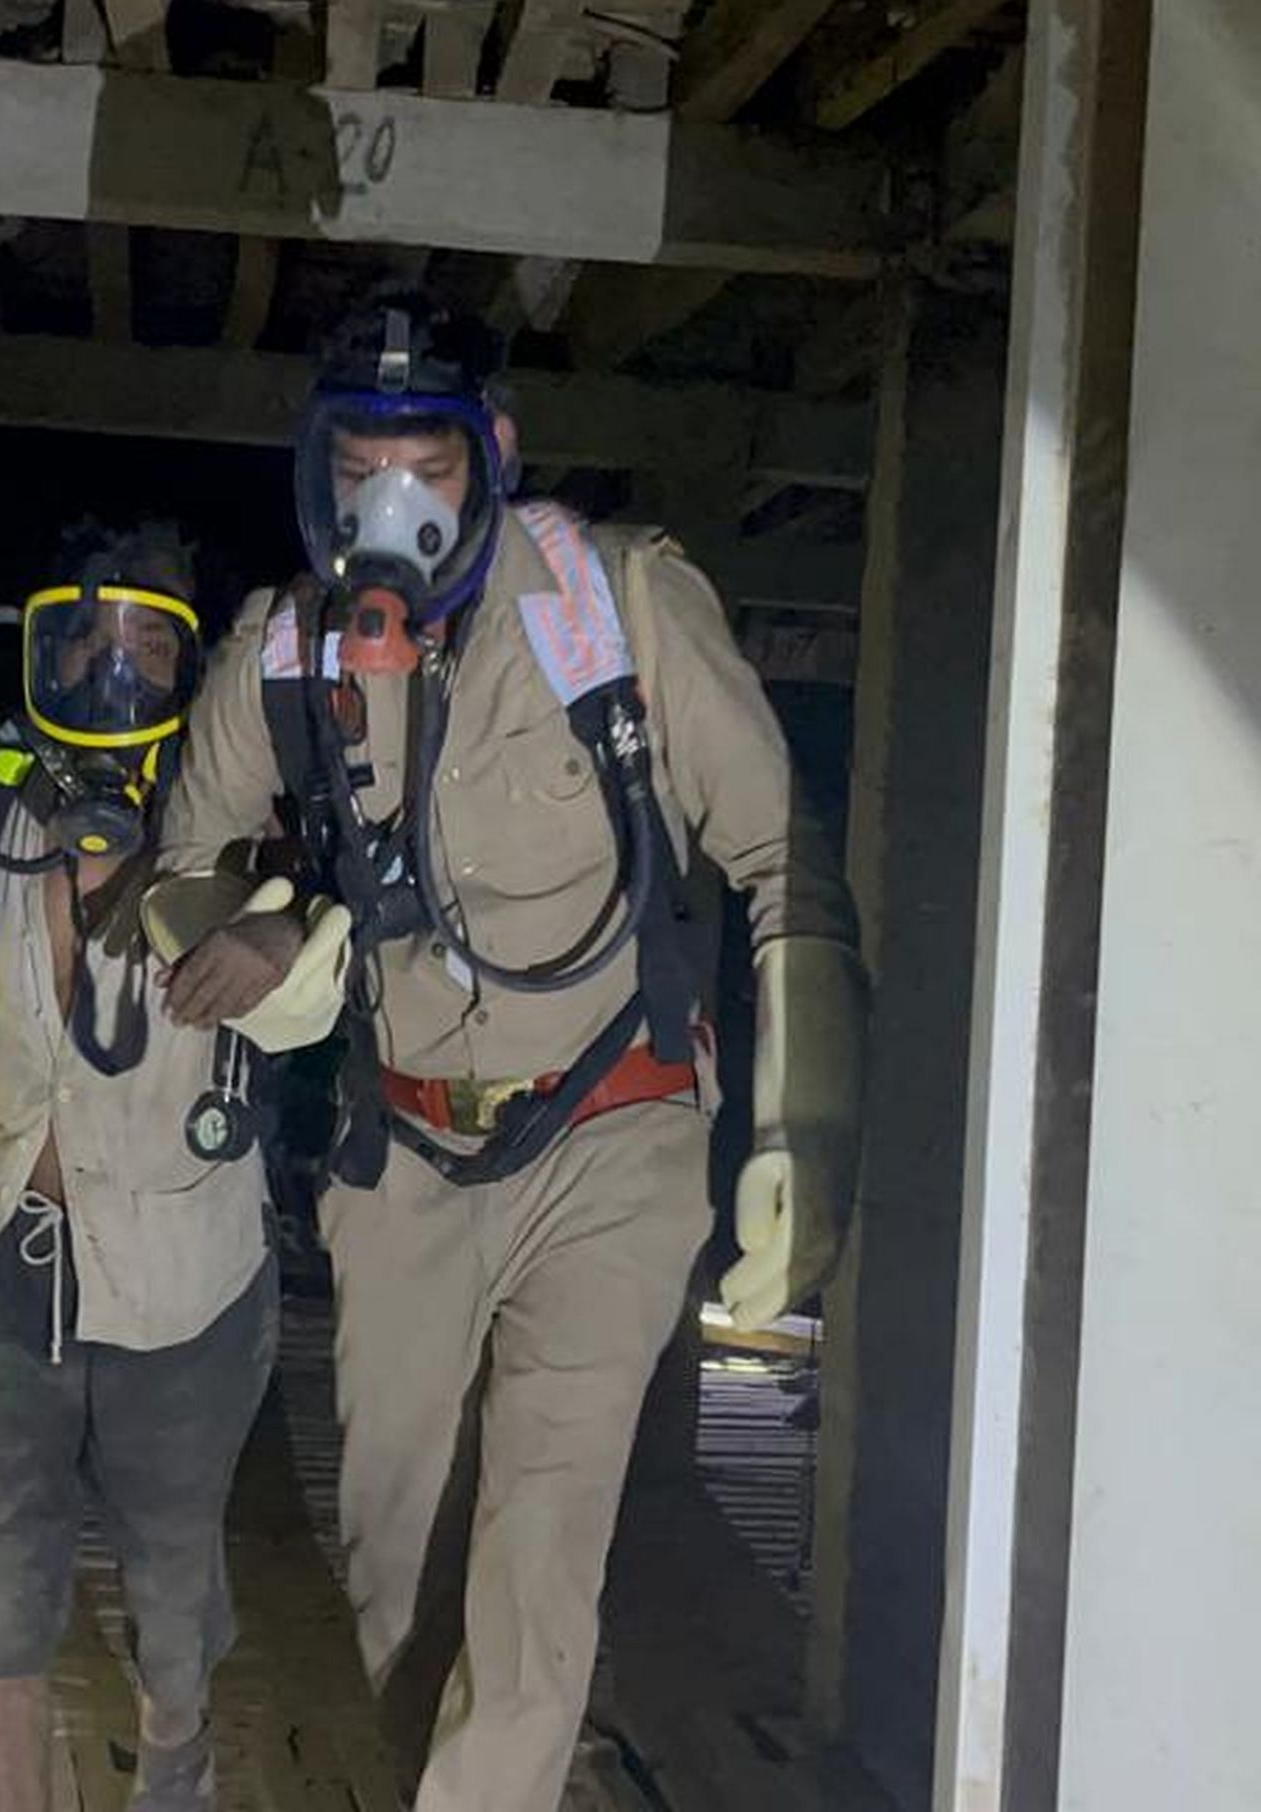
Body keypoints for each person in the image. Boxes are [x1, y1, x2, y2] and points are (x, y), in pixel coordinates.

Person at [148, 293, 866, 1812]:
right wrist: (263, 928)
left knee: (538, 1542)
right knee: (399, 1564)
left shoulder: (614, 607)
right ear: (319, 474)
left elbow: (782, 857)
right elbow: (179, 866)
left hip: (614, 1134)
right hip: (400, 1155)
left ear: (495, 456)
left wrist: (807, 1127)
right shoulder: (284, 654)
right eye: (362, 469)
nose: (394, 504)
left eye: (430, 462)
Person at [0, 528, 279, 1812]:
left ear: (189, 664)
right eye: (88, 640)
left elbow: (326, 957)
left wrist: (273, 928)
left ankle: (174, 1764)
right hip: (4, 1256)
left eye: (149, 644)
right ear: (44, 648)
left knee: (168, 1575)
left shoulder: (243, 810)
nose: (115, 669)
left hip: (185, 1272)